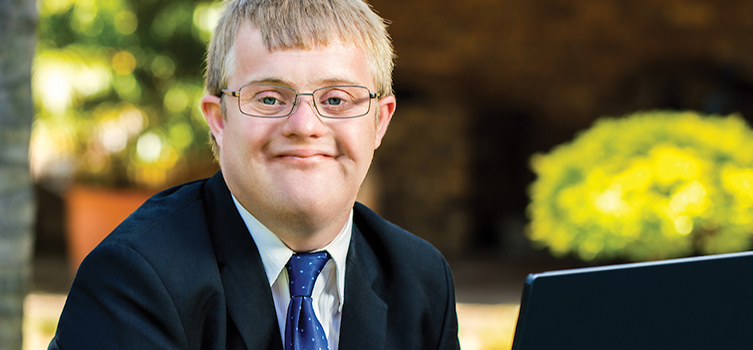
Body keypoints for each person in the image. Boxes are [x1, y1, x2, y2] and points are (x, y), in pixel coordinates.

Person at [48, 0, 460, 349]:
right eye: (268, 97)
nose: (304, 125)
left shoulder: (421, 280)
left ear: (380, 122)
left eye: (336, 99)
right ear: (218, 119)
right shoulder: (133, 280)